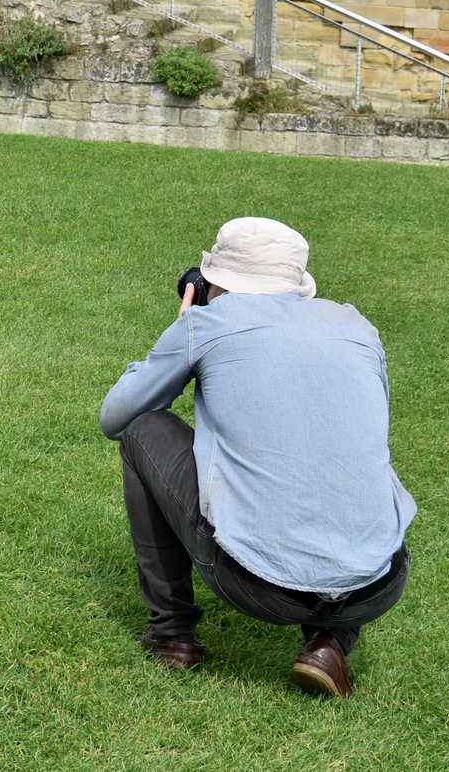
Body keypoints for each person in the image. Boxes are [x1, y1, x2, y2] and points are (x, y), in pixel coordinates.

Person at [100, 217, 415, 698]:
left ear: (216, 280)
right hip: (378, 587)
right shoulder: (356, 325)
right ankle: (330, 639)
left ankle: (172, 635)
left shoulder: (206, 323)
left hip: (255, 587)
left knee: (144, 429)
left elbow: (117, 417)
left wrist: (182, 333)